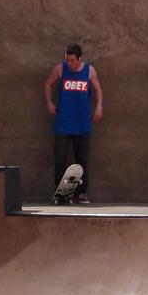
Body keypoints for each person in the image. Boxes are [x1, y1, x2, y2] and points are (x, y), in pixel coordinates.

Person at [45, 43, 103, 204]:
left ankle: (81, 193)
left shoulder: (89, 71)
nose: (69, 63)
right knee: (60, 157)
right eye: (67, 60)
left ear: (78, 58)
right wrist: (49, 103)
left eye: (71, 60)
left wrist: (99, 106)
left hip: (82, 123)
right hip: (63, 123)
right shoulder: (60, 69)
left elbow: (97, 89)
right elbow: (48, 84)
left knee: (82, 160)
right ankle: (61, 192)